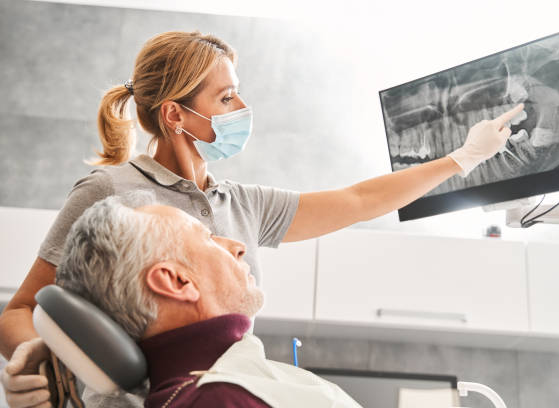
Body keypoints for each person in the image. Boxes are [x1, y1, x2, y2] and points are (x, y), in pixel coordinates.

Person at [0, 29, 523, 408]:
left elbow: (359, 200)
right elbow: (23, 308)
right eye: (226, 97)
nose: (243, 106)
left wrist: (462, 159)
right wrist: (38, 354)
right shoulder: (108, 192)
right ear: (176, 115)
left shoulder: (242, 203)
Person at [55, 192, 362, 407]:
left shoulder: (221, 389)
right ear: (176, 281)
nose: (238, 246)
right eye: (207, 237)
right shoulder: (221, 400)